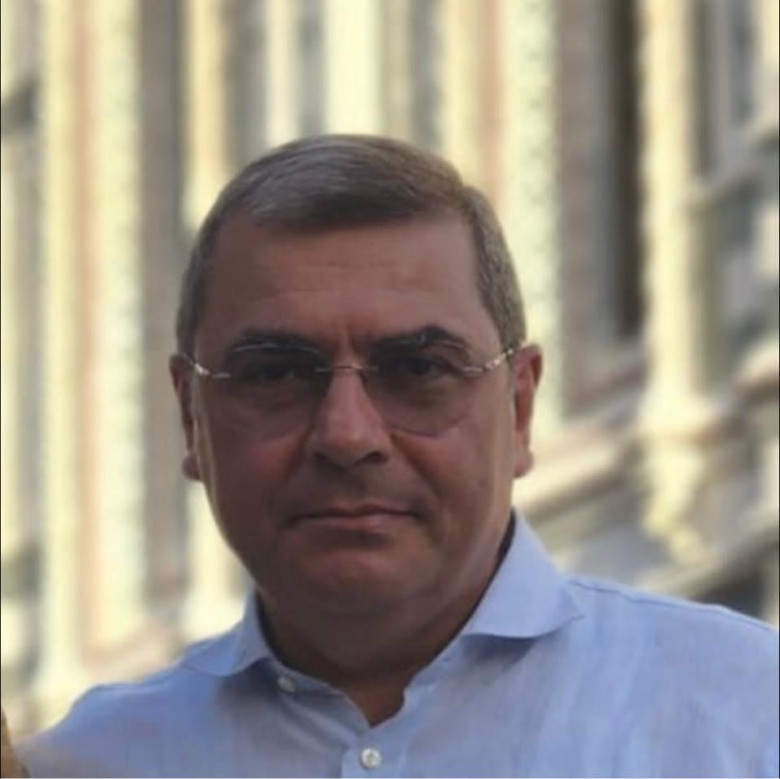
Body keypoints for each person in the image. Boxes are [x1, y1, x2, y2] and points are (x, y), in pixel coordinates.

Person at [6, 135, 779, 778]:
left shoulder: (742, 716)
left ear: (519, 407)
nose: (348, 435)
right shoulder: (86, 766)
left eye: (418, 369)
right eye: (277, 374)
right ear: (191, 417)